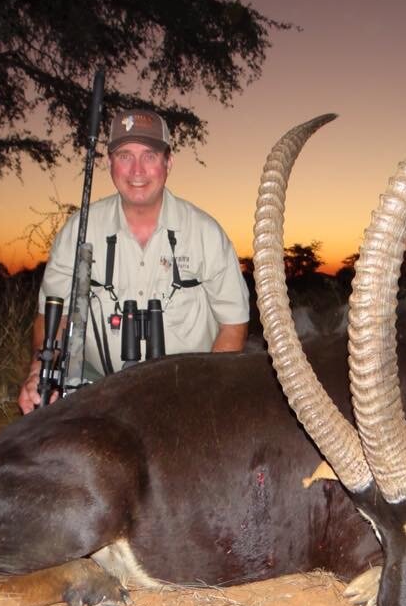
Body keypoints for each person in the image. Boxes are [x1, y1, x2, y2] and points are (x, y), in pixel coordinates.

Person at [18, 109, 249, 414]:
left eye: (150, 156)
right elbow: (53, 316)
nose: (137, 171)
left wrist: (206, 392)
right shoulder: (81, 228)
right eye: (125, 155)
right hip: (97, 386)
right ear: (109, 162)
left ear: (168, 162)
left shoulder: (205, 232)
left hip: (187, 389)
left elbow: (233, 325)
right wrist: (39, 373)